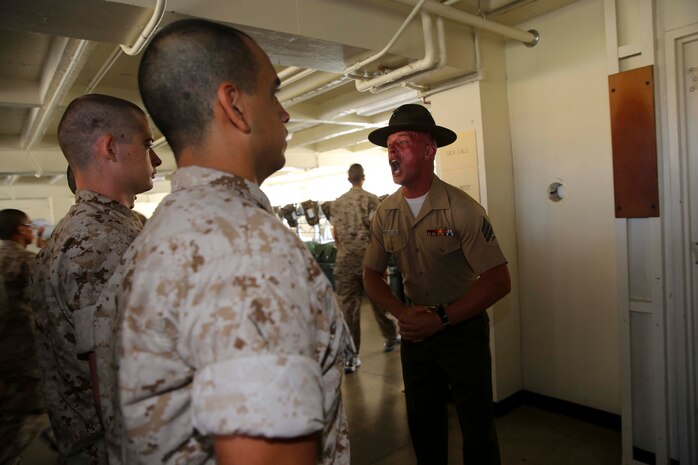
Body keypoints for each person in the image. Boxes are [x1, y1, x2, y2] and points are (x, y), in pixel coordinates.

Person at [96, 19, 351, 465]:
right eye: (273, 92)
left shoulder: (158, 231)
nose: (285, 112)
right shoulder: (247, 250)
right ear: (234, 105)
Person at [362, 104, 511, 465]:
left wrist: (441, 319)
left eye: (403, 142)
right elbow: (370, 274)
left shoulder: (462, 209)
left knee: (477, 428)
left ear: (430, 150)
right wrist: (403, 315)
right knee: (423, 424)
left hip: (462, 330)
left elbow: (497, 280)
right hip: (416, 334)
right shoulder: (386, 213)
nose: (392, 152)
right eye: (389, 146)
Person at [29, 93, 162, 465]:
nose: (157, 158)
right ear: (109, 147)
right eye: (146, 143)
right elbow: (118, 380)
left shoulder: (109, 227)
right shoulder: (100, 241)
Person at [332, 163, 399, 373]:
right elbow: (378, 232)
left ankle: (352, 358)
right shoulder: (371, 199)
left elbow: (335, 233)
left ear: (348, 178)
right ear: (363, 177)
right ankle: (391, 336)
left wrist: (345, 249)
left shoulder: (337, 203)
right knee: (380, 301)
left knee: (347, 309)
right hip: (370, 260)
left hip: (344, 261)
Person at [0, 209, 44, 464]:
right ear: (20, 230)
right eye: (29, 225)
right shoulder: (25, 261)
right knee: (26, 419)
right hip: (22, 360)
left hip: (7, 361)